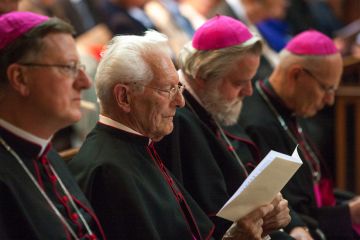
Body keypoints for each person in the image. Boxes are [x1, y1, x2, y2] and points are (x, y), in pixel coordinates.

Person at [67, 29, 273, 239]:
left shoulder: (141, 144)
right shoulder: (107, 173)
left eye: (179, 88)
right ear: (124, 97)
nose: (180, 102)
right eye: (167, 90)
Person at [156, 15, 313, 240]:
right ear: (202, 76)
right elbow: (210, 220)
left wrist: (292, 223)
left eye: (251, 80)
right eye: (239, 82)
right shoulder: (177, 121)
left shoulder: (215, 100)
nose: (249, 92)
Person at [239, 30, 360, 239]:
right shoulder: (257, 124)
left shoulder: (292, 108)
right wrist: (348, 212)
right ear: (296, 74)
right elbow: (289, 212)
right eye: (326, 88)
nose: (330, 100)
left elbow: (314, 188)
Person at [0, 11, 105, 239]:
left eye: (81, 68)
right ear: (19, 78)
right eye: (68, 67)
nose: (85, 82)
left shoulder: (43, 150)